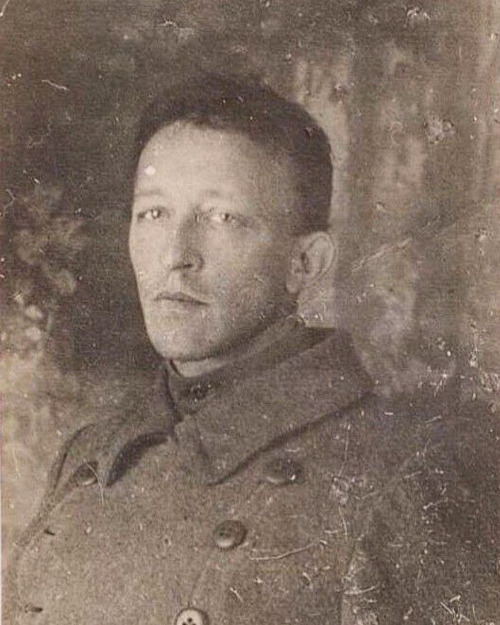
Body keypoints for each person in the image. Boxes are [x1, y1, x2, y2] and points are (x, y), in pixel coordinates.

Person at [5, 74, 499, 625]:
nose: (176, 254)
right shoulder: (90, 456)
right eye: (154, 213)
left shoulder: (405, 473)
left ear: (305, 264)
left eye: (222, 218)